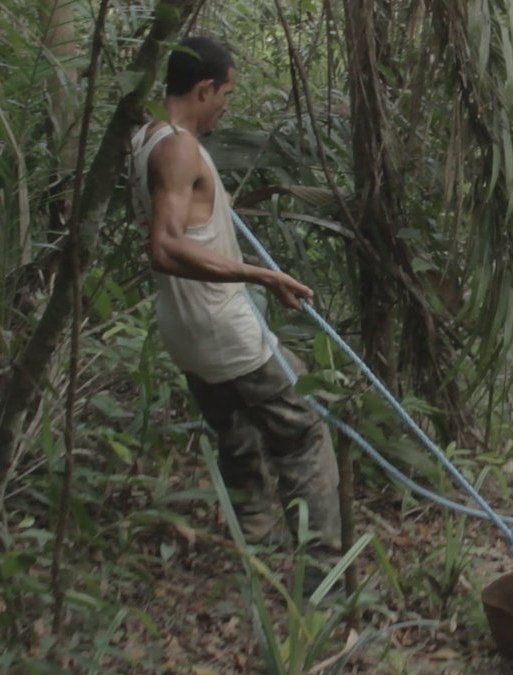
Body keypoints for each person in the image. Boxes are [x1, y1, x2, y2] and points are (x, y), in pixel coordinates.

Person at [129, 36, 341, 570]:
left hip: (185, 333)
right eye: (226, 93)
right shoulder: (179, 147)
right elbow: (166, 246)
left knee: (237, 433)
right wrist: (262, 275)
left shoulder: (146, 137)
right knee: (305, 431)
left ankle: (257, 553)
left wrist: (218, 207)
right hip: (223, 327)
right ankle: (323, 574)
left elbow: (188, 222)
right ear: (204, 89)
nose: (226, 105)